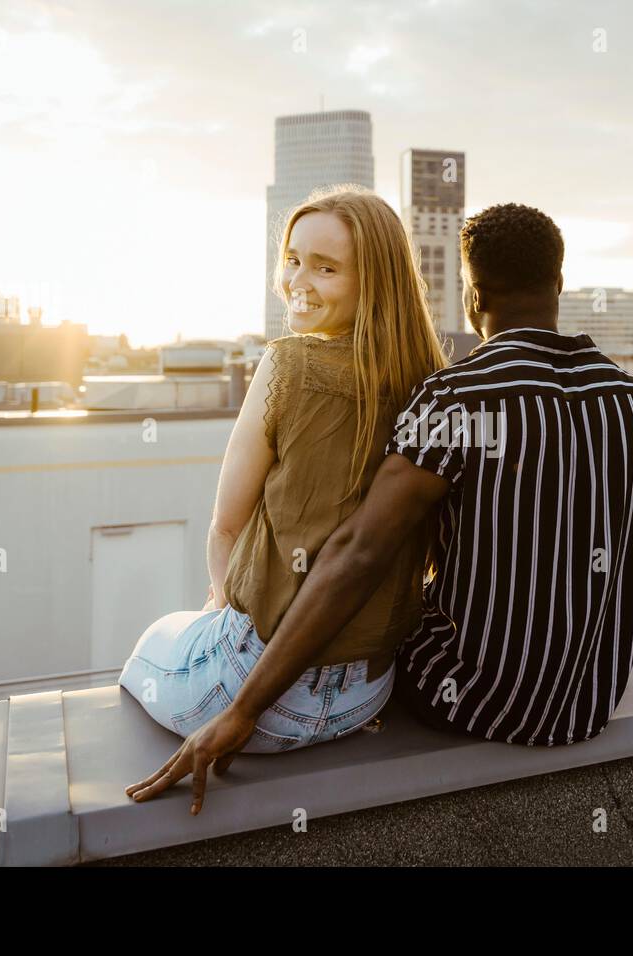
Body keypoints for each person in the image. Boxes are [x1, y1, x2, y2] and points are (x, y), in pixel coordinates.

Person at [128, 201, 633, 814]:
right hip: (589, 702)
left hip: (467, 700)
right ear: (558, 284)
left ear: (474, 299)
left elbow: (359, 552)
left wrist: (244, 709)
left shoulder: (457, 398)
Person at [119, 185, 446, 810]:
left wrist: (222, 607)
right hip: (365, 696)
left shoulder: (288, 363)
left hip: (250, 694)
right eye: (293, 260)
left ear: (374, 283)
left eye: (326, 268)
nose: (297, 281)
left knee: (151, 640)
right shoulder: (432, 384)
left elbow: (225, 526)